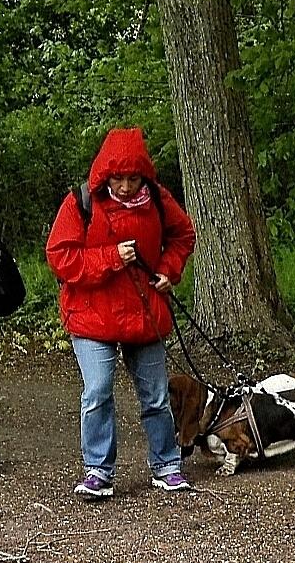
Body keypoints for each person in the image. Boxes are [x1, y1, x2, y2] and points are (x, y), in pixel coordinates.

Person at [46, 127, 196, 498]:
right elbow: (61, 257)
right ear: (104, 175)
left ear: (143, 174)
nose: (126, 186)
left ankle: (167, 465)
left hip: (144, 314)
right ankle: (98, 471)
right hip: (91, 316)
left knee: (157, 396)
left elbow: (183, 236)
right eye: (119, 178)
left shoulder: (159, 200)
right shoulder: (80, 203)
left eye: (133, 178)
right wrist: (111, 258)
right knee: (97, 391)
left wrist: (167, 271)